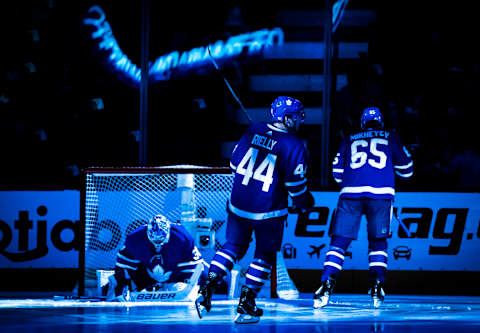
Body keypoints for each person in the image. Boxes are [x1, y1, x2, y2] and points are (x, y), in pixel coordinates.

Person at [195, 96, 315, 323]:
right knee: (264, 255)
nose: (299, 121)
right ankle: (246, 305)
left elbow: (233, 165)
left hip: (238, 204)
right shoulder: (293, 144)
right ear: (286, 118)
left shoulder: (253, 130)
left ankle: (206, 289)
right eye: (296, 116)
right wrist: (305, 202)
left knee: (232, 247)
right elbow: (296, 187)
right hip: (268, 212)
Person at [313, 107, 413, 309]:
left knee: (339, 241)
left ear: (362, 123)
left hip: (351, 193)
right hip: (381, 194)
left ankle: (326, 283)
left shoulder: (349, 137)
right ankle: (377, 285)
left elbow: (337, 172)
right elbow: (407, 170)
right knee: (378, 241)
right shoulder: (391, 136)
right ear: (381, 121)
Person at [106, 214, 206, 301]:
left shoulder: (182, 238)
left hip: (175, 277)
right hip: (146, 277)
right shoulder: (135, 239)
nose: (158, 243)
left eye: (161, 238)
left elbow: (195, 267)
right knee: (118, 287)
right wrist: (123, 283)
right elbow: (123, 266)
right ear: (147, 233)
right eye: (154, 238)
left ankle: (170, 286)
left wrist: (189, 285)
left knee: (191, 291)